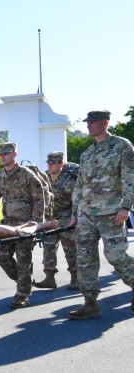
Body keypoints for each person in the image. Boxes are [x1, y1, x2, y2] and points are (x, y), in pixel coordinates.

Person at [68, 110, 134, 319]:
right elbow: (80, 185)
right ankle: (90, 303)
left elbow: (130, 177)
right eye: (87, 122)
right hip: (86, 214)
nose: (88, 125)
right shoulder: (86, 153)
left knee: (115, 255)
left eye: (93, 122)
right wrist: (74, 213)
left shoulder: (121, 146)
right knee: (85, 259)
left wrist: (126, 207)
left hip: (111, 212)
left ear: (105, 122)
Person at [0, 142, 45, 308]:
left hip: (26, 225)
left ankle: (22, 294)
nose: (3, 156)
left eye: (6, 153)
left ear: (14, 154)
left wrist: (36, 223)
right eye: (0, 154)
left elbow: (39, 198)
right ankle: (24, 281)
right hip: (8, 224)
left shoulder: (27, 175)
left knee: (23, 259)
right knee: (0, 254)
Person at [33, 152, 79, 290]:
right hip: (51, 218)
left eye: (53, 163)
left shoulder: (70, 180)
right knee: (48, 247)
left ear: (61, 164)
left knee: (70, 249)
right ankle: (49, 278)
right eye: (49, 163)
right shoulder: (45, 177)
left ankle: (76, 278)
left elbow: (77, 200)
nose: (50, 165)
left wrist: (74, 218)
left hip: (67, 218)